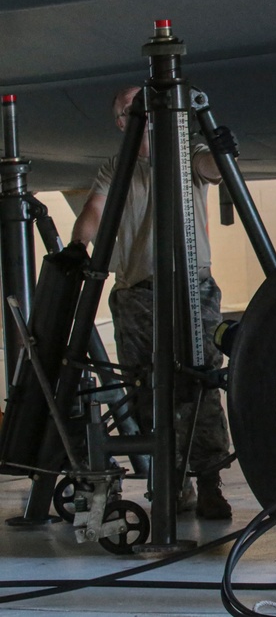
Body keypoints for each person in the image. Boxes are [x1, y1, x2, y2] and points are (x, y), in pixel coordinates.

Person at [71, 86, 238, 520]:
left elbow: (209, 167)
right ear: (122, 124)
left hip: (192, 289)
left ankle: (209, 482)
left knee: (199, 384)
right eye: (128, 112)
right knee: (145, 389)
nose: (137, 116)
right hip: (137, 294)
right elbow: (95, 208)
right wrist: (77, 245)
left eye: (142, 108)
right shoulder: (117, 167)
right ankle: (171, 482)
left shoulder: (187, 154)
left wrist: (220, 156)